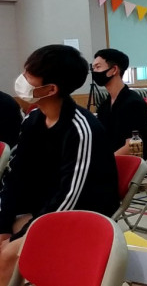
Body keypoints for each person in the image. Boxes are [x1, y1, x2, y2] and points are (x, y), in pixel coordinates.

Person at [0, 45, 119, 284]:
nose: (22, 80)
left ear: (51, 89)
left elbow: (69, 197)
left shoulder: (81, 130)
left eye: (28, 75)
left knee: (6, 256)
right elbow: (15, 176)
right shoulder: (33, 120)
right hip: (41, 207)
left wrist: (18, 238)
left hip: (79, 215)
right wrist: (3, 226)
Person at [92, 48, 147, 158]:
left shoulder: (133, 104)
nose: (94, 72)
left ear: (114, 70)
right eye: (93, 68)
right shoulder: (104, 106)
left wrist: (104, 162)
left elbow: (132, 146)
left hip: (126, 162)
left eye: (98, 67)